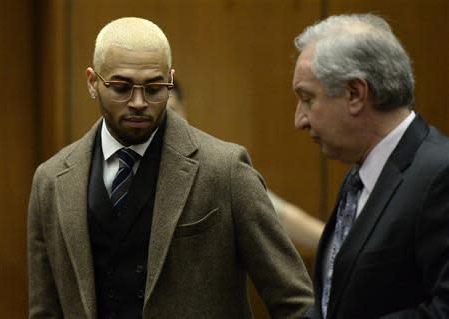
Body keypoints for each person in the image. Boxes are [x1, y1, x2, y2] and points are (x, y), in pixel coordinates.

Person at [27, 17, 313, 319]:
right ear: (92, 82)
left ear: (170, 80)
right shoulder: (51, 179)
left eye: (154, 88)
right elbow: (45, 309)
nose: (138, 102)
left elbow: (294, 301)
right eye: (122, 87)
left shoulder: (225, 169)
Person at [292, 13, 449, 319]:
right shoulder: (360, 178)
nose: (299, 120)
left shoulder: (440, 175)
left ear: (355, 94)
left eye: (307, 99)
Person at [168, 81, 324, 249]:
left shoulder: (216, 166)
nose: (168, 123)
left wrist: (338, 245)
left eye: (172, 111)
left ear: (184, 109)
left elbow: (278, 214)